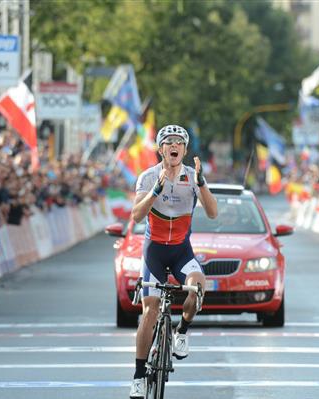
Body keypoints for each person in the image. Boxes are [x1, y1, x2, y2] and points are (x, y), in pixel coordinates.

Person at [129, 125, 217, 398]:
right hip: (154, 251)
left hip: (181, 251)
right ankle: (139, 375)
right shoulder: (148, 177)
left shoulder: (193, 177)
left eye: (179, 142)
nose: (174, 145)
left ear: (185, 150)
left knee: (197, 286)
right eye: (169, 142)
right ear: (161, 149)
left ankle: (182, 330)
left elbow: (213, 213)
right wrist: (155, 190)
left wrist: (202, 184)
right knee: (150, 312)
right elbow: (136, 216)